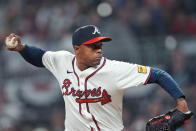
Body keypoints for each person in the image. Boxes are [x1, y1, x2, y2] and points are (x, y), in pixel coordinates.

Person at [4, 25, 191, 131]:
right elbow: (40, 57)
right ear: (77, 49)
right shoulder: (62, 61)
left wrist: (181, 101)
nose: (99, 49)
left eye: (100, 45)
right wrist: (21, 48)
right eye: (93, 46)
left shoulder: (115, 69)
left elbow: (158, 74)